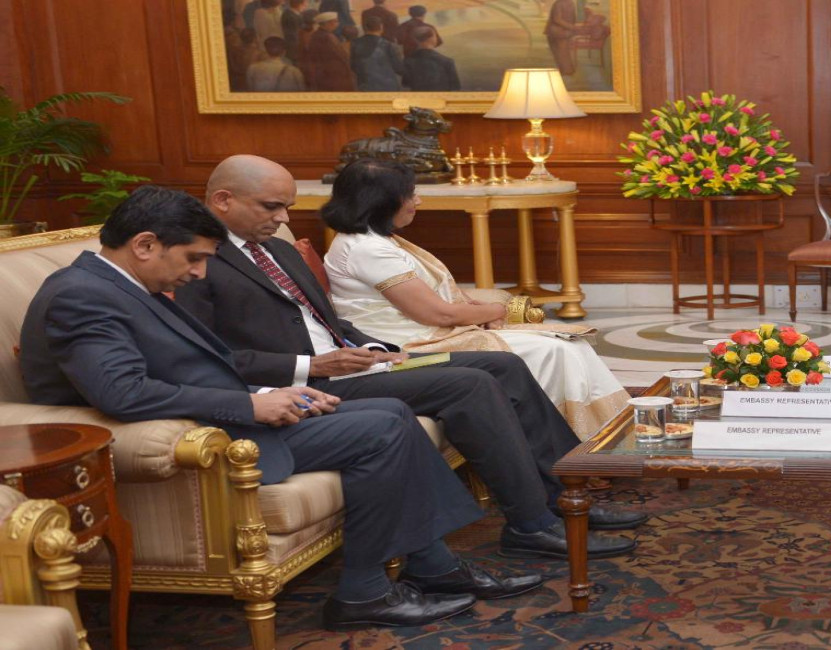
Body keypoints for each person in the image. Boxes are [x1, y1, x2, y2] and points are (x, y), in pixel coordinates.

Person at [18, 186, 541, 630]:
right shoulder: (82, 295)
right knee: (382, 429)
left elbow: (193, 365)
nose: (199, 273)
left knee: (391, 413)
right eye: (194, 258)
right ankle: (364, 592)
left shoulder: (125, 285)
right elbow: (123, 392)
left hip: (228, 412)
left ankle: (430, 565)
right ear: (145, 244)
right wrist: (249, 404)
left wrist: (276, 394)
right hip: (205, 435)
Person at [172, 155, 644, 560]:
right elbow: (208, 356)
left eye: (287, 208)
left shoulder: (277, 249)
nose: (282, 219)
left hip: (354, 365)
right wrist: (311, 366)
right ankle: (530, 525)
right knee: (471, 383)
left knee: (503, 365)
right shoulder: (196, 261)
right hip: (311, 384)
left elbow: (329, 322)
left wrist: (379, 351)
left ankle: (567, 499)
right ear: (223, 200)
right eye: (271, 207)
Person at [319, 159, 629, 437]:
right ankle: (582, 443)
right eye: (410, 195)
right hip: (410, 345)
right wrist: (497, 309)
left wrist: (477, 311)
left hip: (429, 332)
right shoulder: (367, 249)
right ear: (381, 202)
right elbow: (438, 315)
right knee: (556, 350)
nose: (418, 201)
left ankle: (602, 439)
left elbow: (441, 297)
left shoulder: (373, 240)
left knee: (571, 345)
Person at [303, 11, 355, 91]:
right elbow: (341, 55)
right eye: (335, 21)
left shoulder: (316, 35)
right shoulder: (328, 37)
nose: (337, 23)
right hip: (333, 74)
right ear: (328, 23)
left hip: (323, 73)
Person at [350, 15, 403, 91]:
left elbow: (353, 65)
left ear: (365, 28)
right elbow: (398, 67)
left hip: (365, 85)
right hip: (387, 85)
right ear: (381, 27)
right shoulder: (387, 45)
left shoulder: (355, 43)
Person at [403, 25, 460, 91]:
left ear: (416, 39)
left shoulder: (408, 61)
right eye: (435, 36)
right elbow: (456, 86)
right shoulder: (446, 62)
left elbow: (405, 83)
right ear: (431, 38)